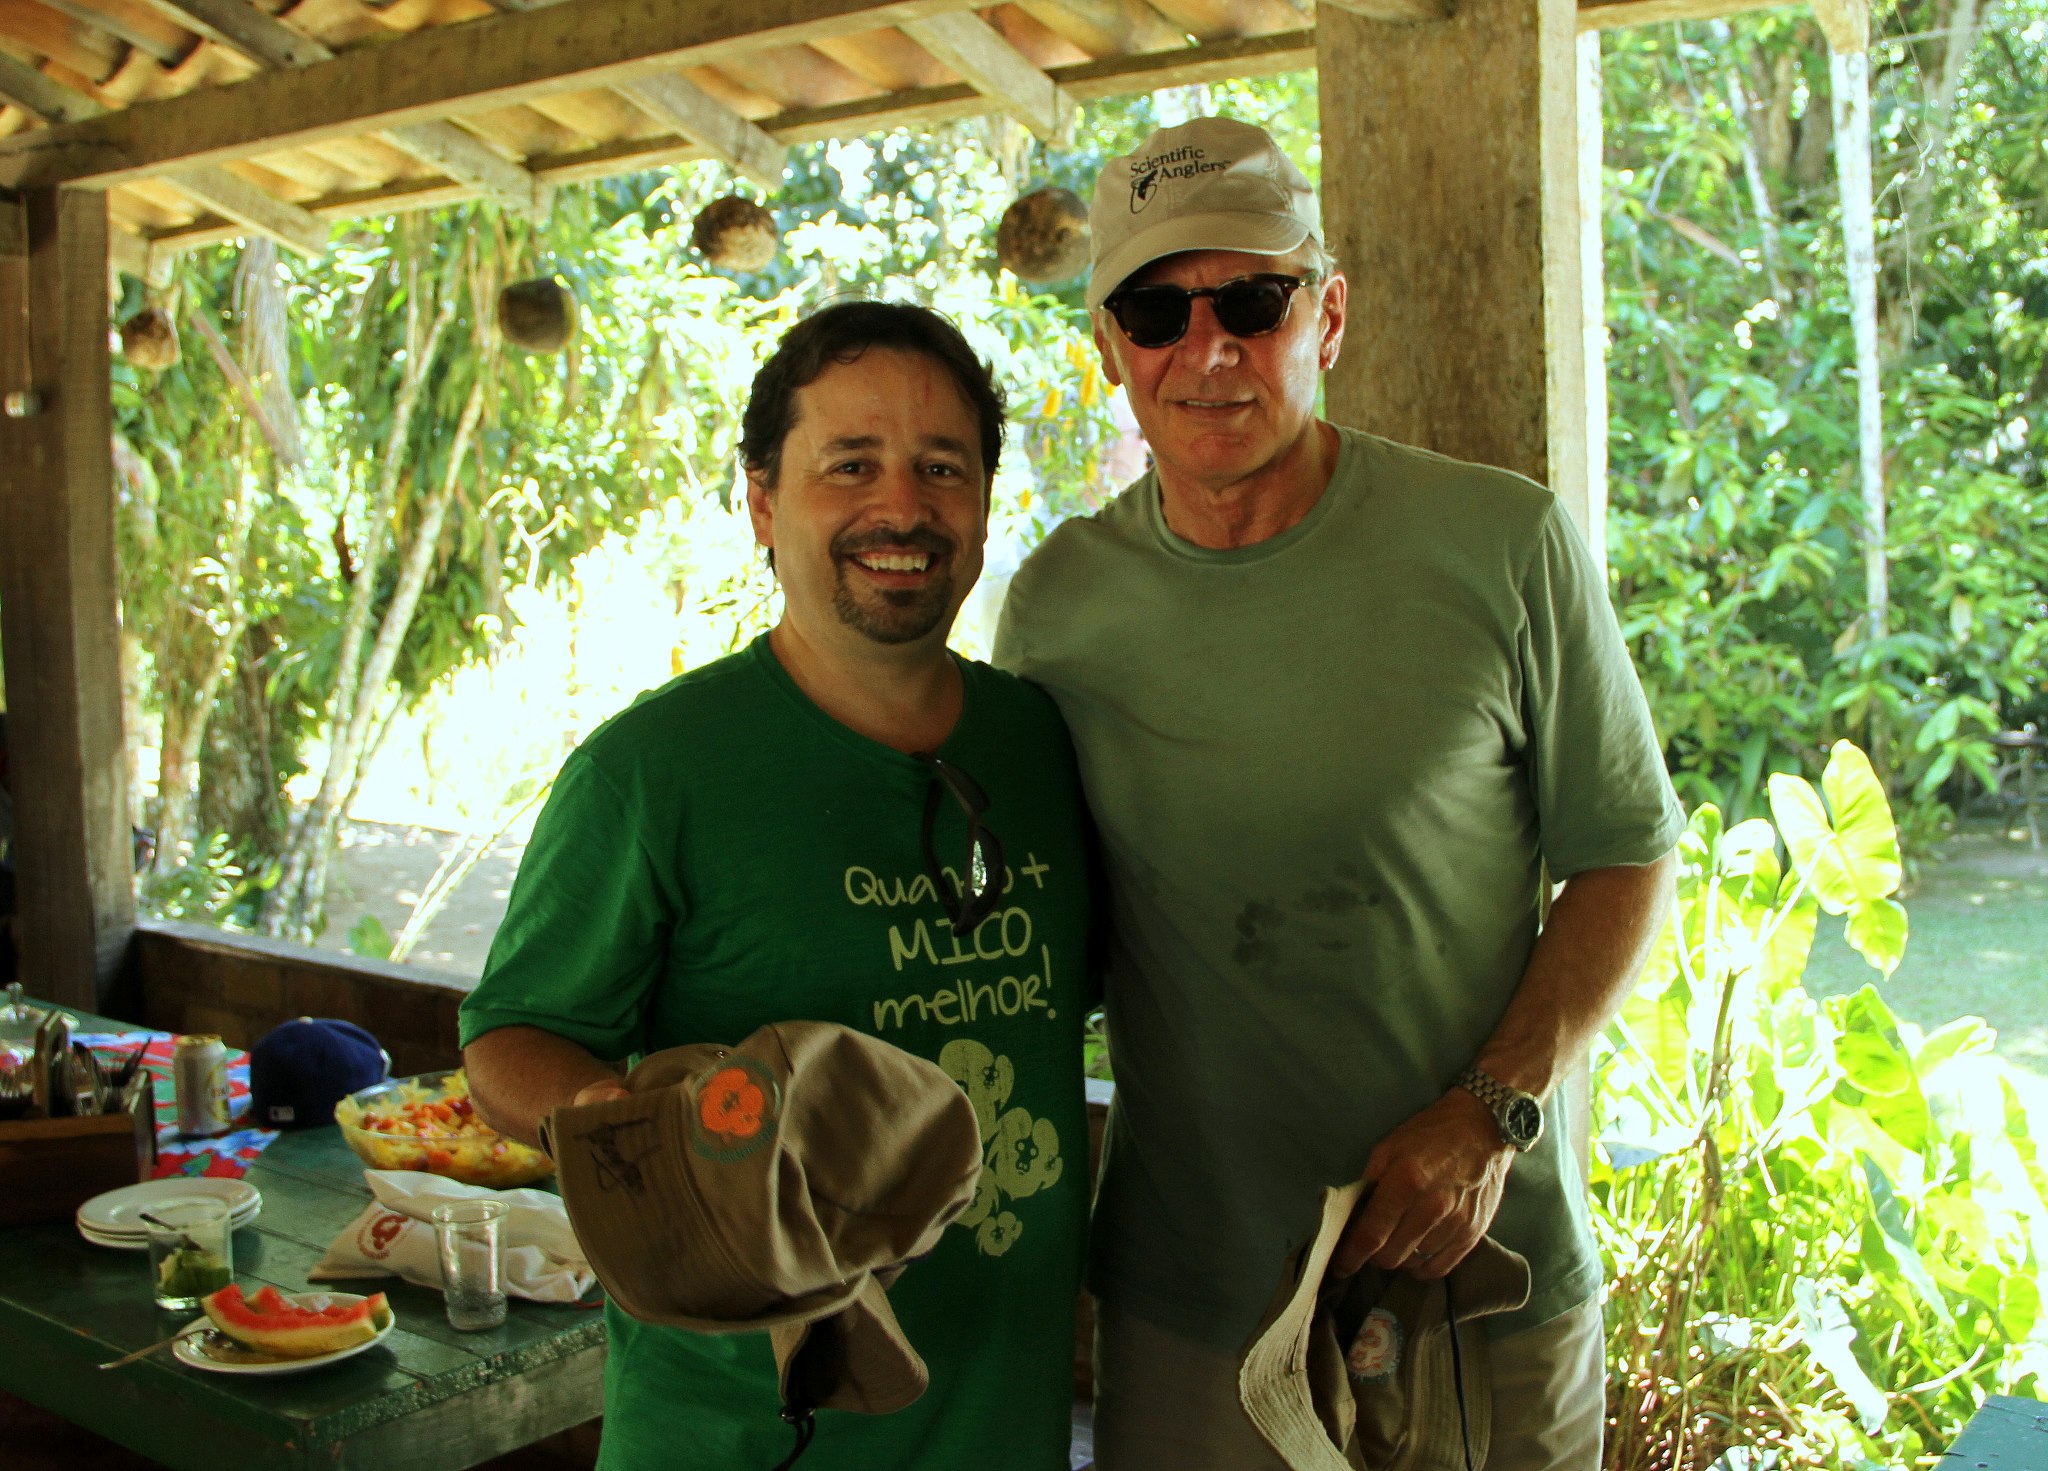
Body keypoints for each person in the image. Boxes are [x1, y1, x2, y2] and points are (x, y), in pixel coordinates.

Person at [995, 118, 1685, 1470]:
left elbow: (1626, 850)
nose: (1207, 351)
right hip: (1192, 1299)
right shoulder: (1058, 604)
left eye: (1252, 301)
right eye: (1154, 311)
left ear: (1330, 311)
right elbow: (1036, 919)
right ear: (1106, 349)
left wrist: (1490, 1109)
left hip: (1474, 1282)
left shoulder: (1503, 542)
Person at [461, 301, 1094, 1471]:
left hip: (1002, 1428)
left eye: (939, 468)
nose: (899, 507)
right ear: (761, 501)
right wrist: (633, 1135)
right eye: (848, 464)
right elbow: (509, 1039)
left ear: (984, 499)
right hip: (744, 1438)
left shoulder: (1042, 745)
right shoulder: (652, 770)